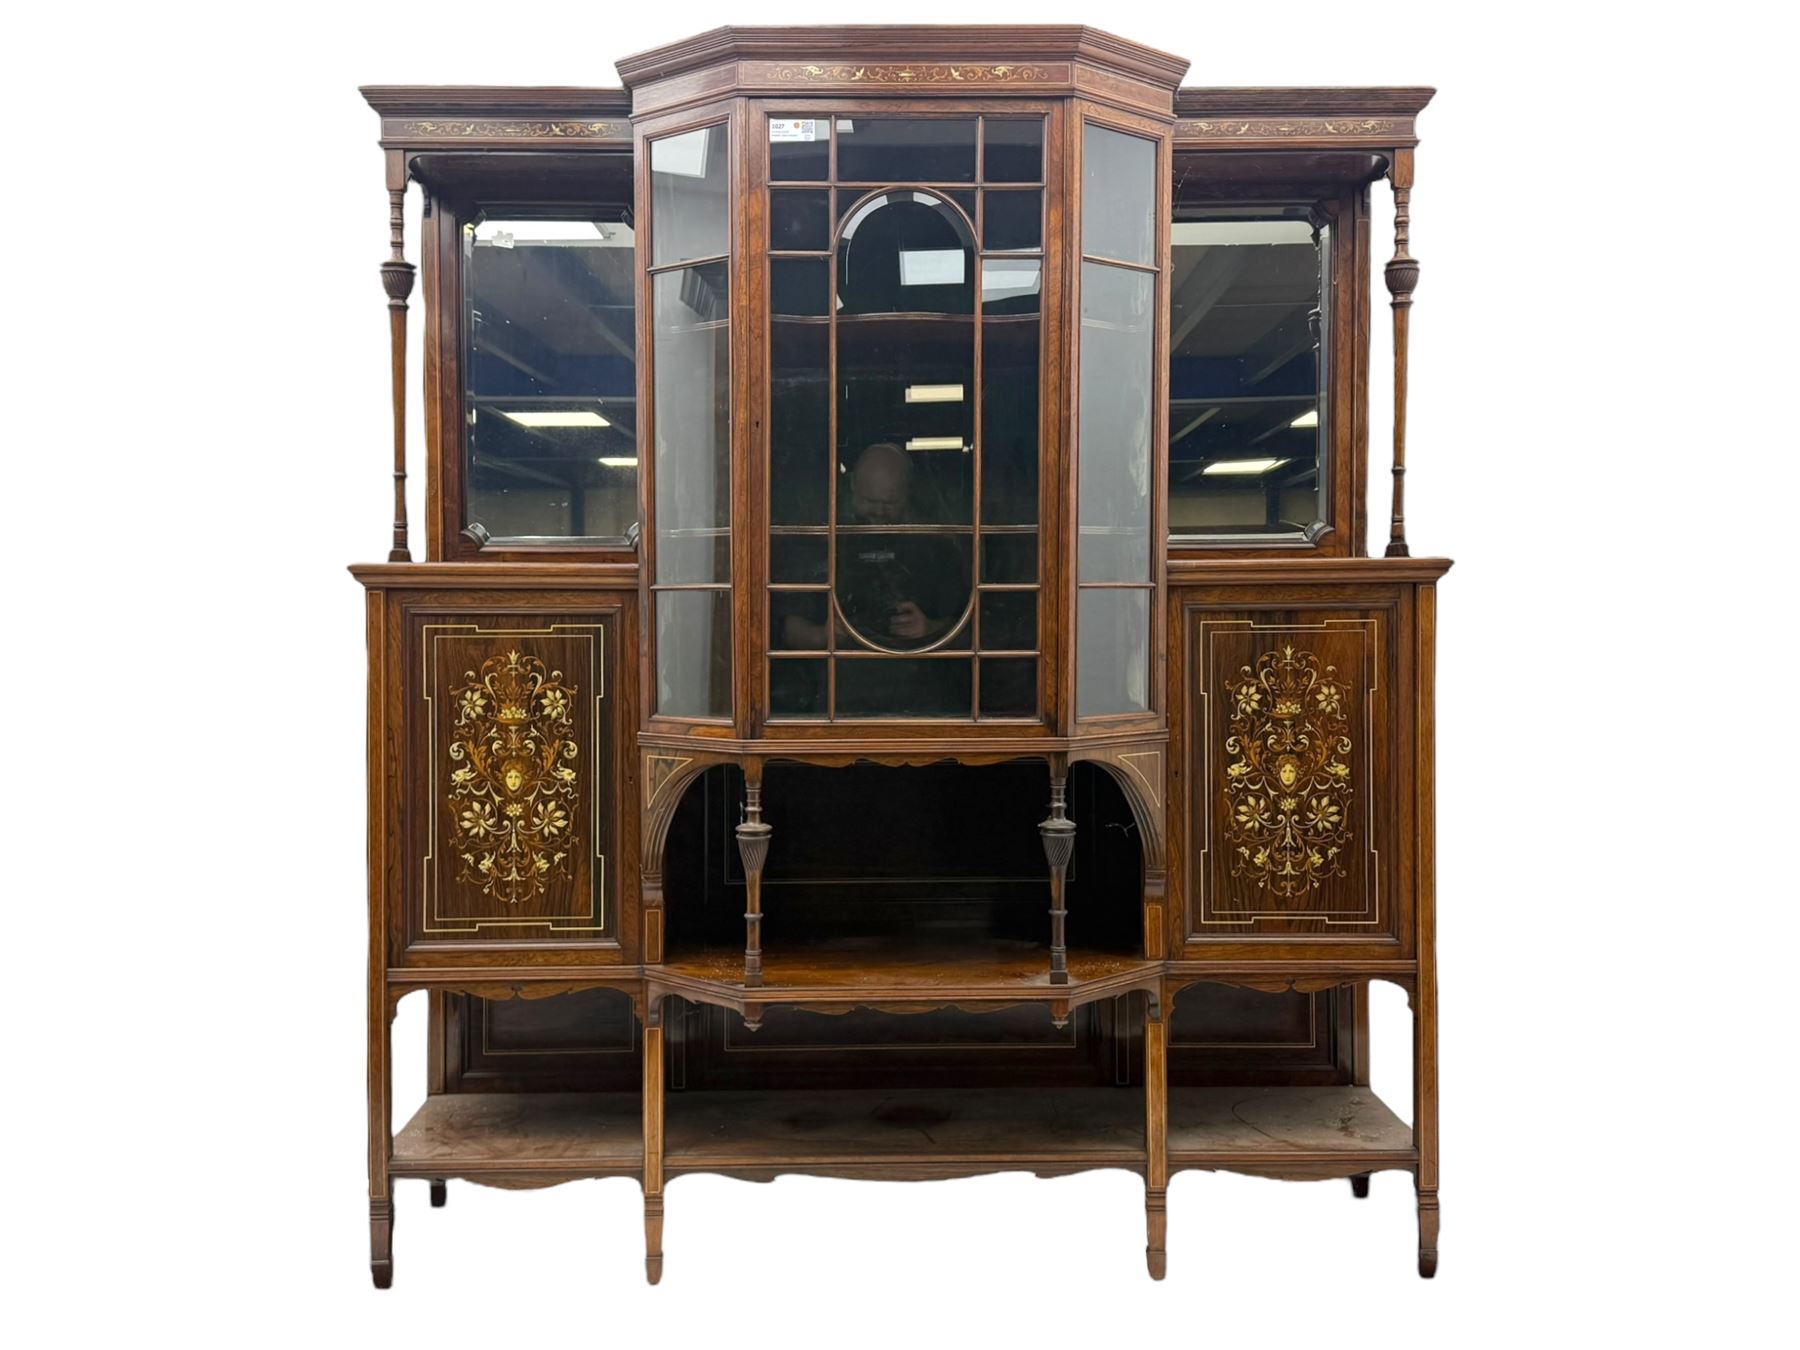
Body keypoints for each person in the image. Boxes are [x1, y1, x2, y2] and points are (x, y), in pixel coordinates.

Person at [781, 442, 969, 652]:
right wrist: (823, 635)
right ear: (852, 485)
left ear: (908, 493)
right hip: (838, 674)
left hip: (918, 672)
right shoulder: (824, 542)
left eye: (890, 503)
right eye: (870, 501)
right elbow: (789, 630)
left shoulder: (936, 547)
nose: (879, 512)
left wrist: (931, 629)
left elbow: (971, 627)